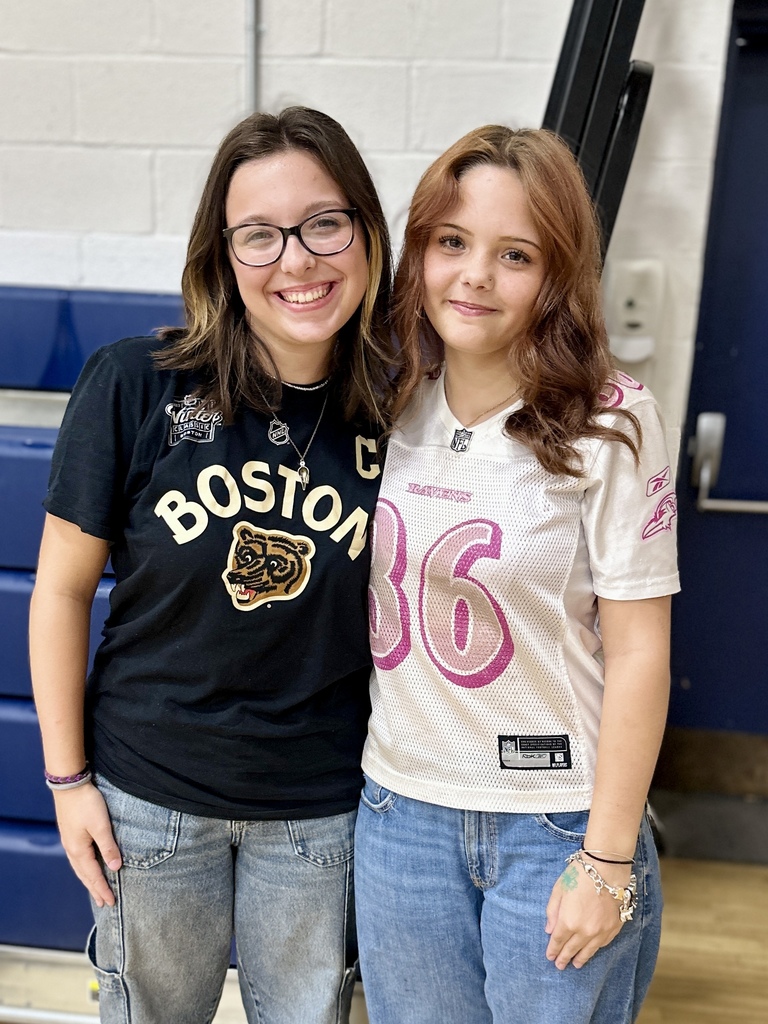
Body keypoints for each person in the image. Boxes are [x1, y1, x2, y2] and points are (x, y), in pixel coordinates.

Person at [29, 106, 395, 1024]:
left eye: (324, 223)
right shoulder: (135, 383)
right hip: (148, 797)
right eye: (259, 236)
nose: (297, 261)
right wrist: (66, 782)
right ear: (222, 256)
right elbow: (62, 592)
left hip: (321, 806)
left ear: (365, 231)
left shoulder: (408, 406)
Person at [354, 125, 679, 1024]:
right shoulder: (381, 395)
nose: (474, 277)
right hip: (400, 814)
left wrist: (609, 859)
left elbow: (642, 653)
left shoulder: (614, 420)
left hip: (558, 824)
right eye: (450, 243)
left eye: (516, 254)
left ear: (558, 274)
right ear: (416, 249)